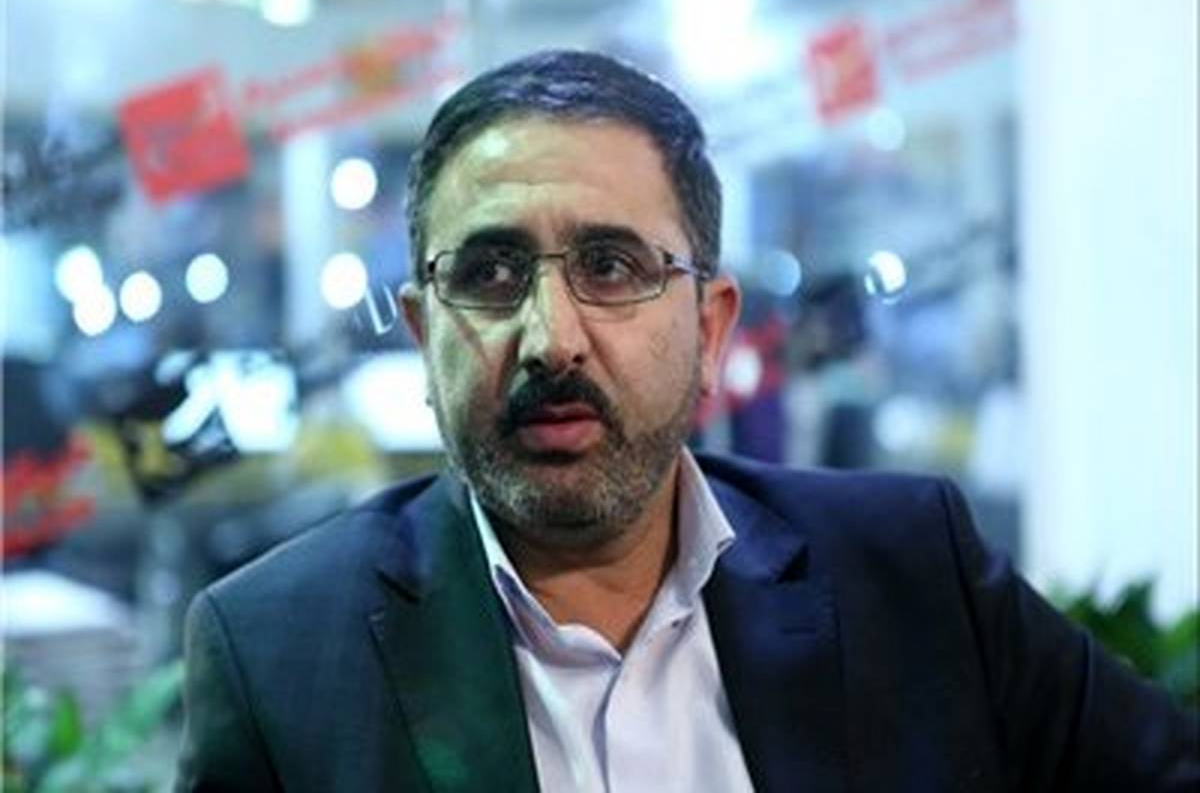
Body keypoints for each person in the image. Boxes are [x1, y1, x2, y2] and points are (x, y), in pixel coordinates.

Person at [175, 50, 1197, 792]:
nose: (552, 339)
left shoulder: (911, 573)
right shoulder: (278, 650)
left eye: (612, 266)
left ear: (710, 329)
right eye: (488, 273)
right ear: (421, 333)